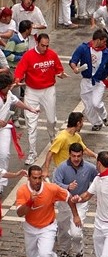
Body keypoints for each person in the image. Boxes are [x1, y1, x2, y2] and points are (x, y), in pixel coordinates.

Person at [14, 33, 68, 166]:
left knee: (51, 119)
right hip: (32, 92)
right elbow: (20, 70)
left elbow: (58, 69)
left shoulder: (52, 54)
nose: (45, 48)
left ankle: (52, 137)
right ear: (37, 43)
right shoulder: (28, 56)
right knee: (31, 124)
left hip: (49, 90)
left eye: (47, 46)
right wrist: (17, 79)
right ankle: (32, 153)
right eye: (43, 45)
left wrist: (61, 74)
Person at [16, 165, 78, 257]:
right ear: (28, 178)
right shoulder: (22, 191)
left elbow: (68, 197)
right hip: (30, 228)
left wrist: (76, 216)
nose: (37, 181)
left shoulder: (51, 189)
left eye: (39, 178)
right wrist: (30, 201)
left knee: (45, 256)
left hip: (47, 227)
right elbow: (19, 213)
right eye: (34, 178)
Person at [53, 143, 98, 257]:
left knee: (76, 233)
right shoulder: (62, 167)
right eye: (74, 156)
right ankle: (64, 249)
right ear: (69, 155)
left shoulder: (90, 168)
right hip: (64, 203)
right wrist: (67, 187)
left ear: (83, 155)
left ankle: (79, 248)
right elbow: (55, 184)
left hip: (81, 203)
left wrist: (87, 194)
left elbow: (97, 180)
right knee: (63, 229)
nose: (76, 159)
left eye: (79, 156)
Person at [70, 29, 108, 131]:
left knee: (96, 103)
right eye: (104, 41)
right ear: (98, 40)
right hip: (86, 81)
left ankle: (104, 117)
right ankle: (97, 122)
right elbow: (73, 60)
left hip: (99, 82)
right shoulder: (83, 48)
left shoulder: (106, 52)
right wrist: (74, 68)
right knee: (88, 106)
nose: (106, 43)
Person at [0, 73, 39, 194]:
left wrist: (30, 109)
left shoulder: (9, 94)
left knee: (5, 154)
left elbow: (16, 102)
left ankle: (1, 184)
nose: (10, 87)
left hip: (4, 128)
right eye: (8, 86)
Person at [42, 112, 97, 178]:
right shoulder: (62, 137)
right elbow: (50, 153)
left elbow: (84, 150)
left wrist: (96, 156)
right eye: (82, 122)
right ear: (78, 123)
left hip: (72, 170)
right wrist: (46, 170)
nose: (83, 124)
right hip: (62, 172)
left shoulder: (76, 137)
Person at [3, 19, 33, 128]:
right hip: (13, 70)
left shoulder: (26, 39)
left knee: (25, 93)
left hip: (23, 70)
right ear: (27, 29)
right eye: (30, 28)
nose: (31, 30)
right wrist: (22, 58)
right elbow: (7, 54)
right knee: (15, 94)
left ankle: (20, 115)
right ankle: (13, 118)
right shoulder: (14, 40)